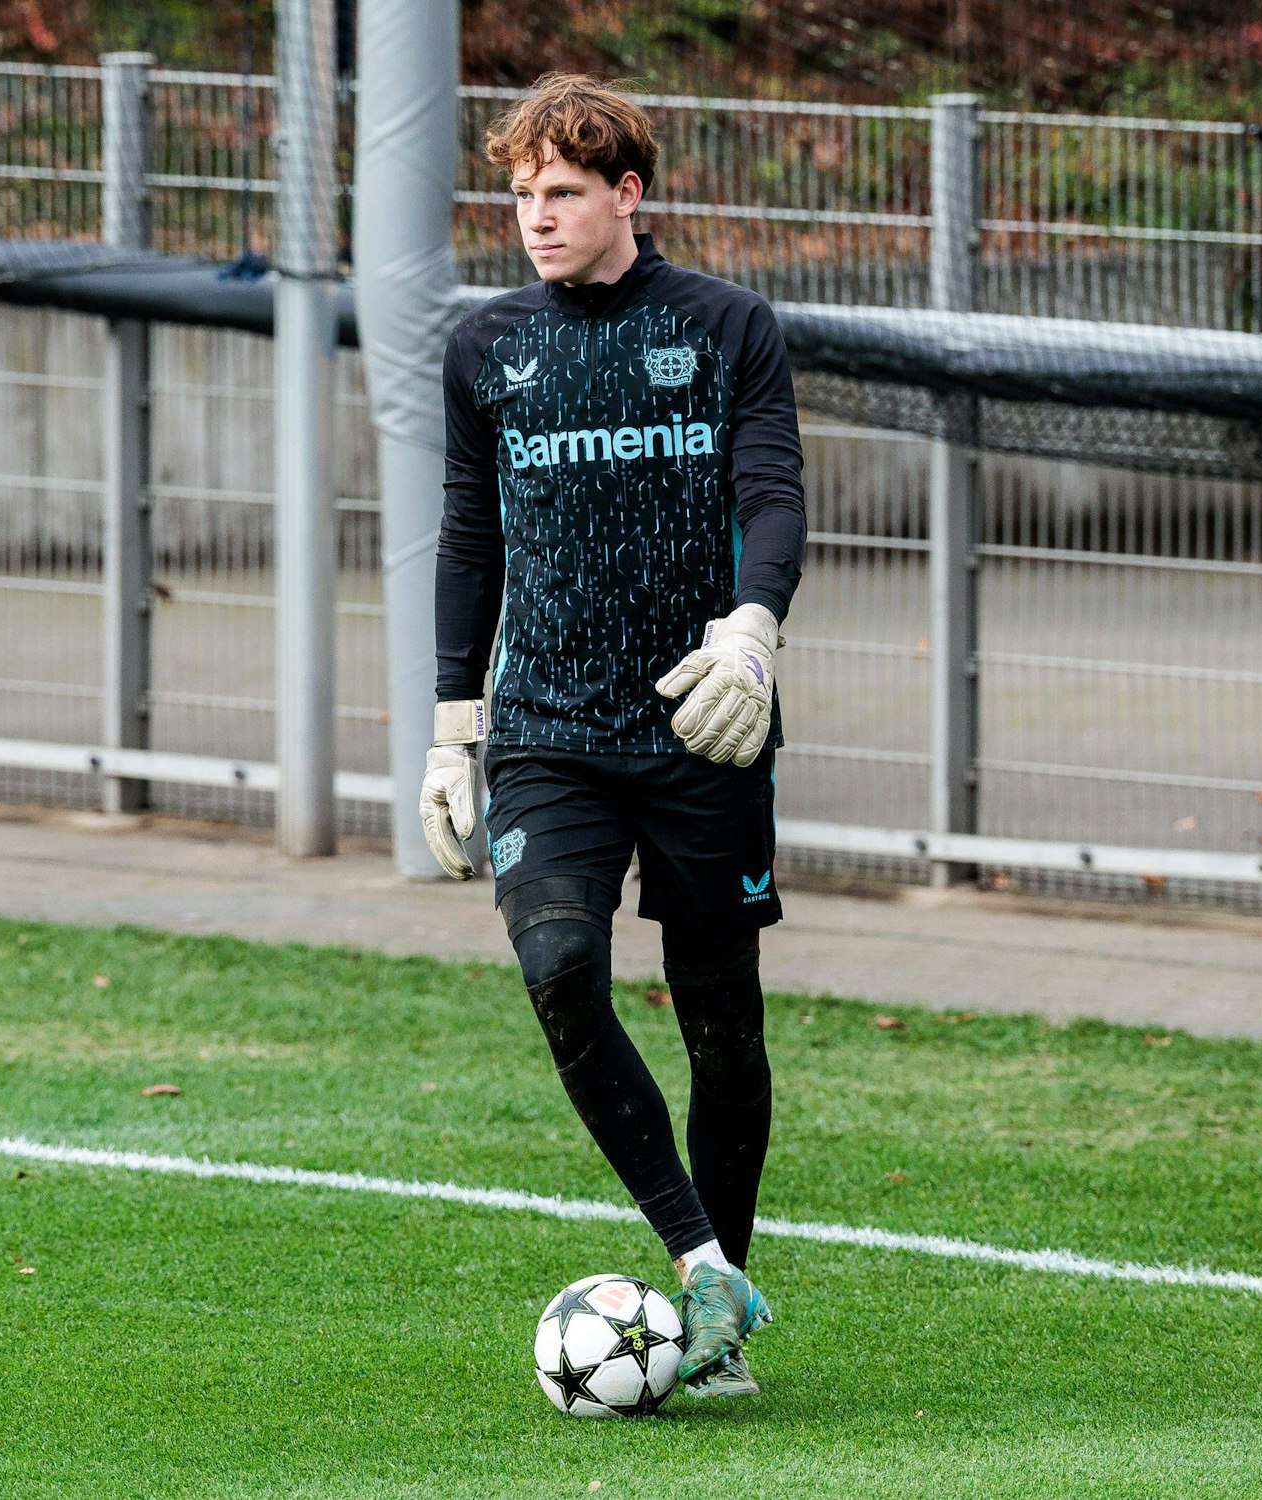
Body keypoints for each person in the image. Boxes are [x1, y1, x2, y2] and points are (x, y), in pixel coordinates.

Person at [419, 72, 806, 1399]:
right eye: (522, 195)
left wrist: (752, 629)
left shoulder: (726, 327)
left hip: (705, 722)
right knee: (563, 970)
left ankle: (720, 1328)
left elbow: (770, 491)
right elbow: (470, 539)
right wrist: (447, 728)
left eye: (564, 194)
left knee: (721, 1027)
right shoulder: (485, 348)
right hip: (546, 735)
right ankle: (700, 1257)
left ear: (626, 194)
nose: (536, 217)